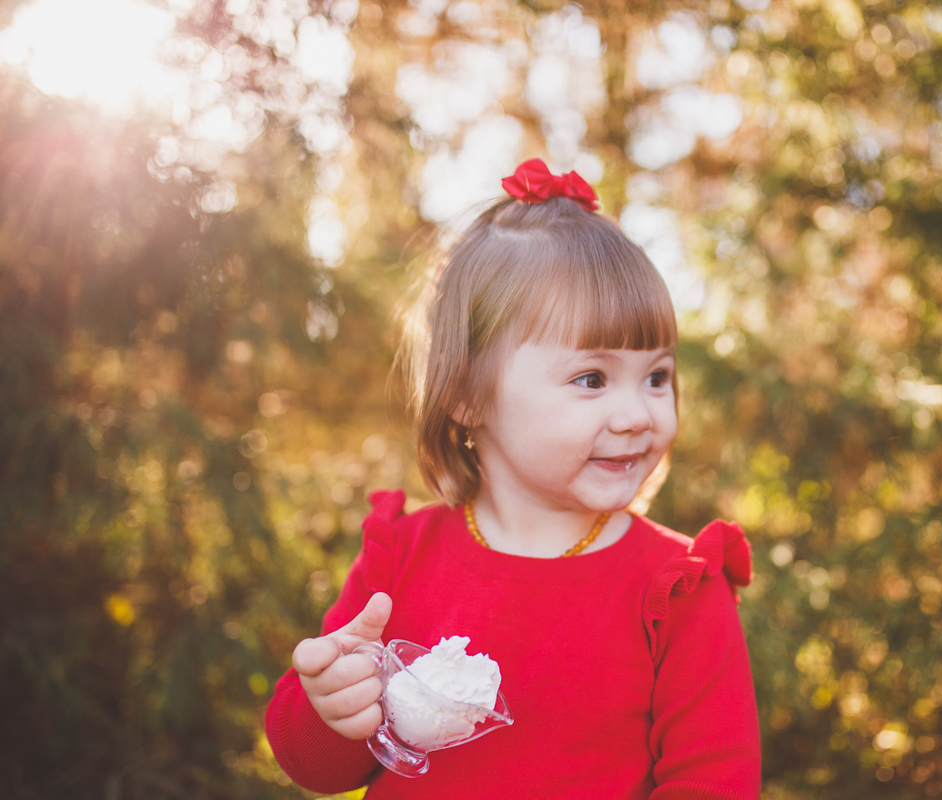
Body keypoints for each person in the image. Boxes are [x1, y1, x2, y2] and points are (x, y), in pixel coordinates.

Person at [264, 158, 761, 798]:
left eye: (657, 377)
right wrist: (335, 705)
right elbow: (316, 768)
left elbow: (714, 784)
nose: (640, 415)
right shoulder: (402, 557)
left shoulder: (679, 592)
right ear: (470, 395)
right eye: (592, 379)